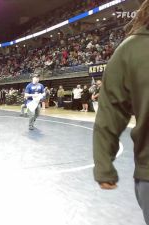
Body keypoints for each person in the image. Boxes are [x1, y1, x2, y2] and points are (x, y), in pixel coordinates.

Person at [93, 1, 149, 223]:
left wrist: (104, 166)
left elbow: (110, 113)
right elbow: (111, 112)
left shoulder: (130, 49)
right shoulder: (130, 49)